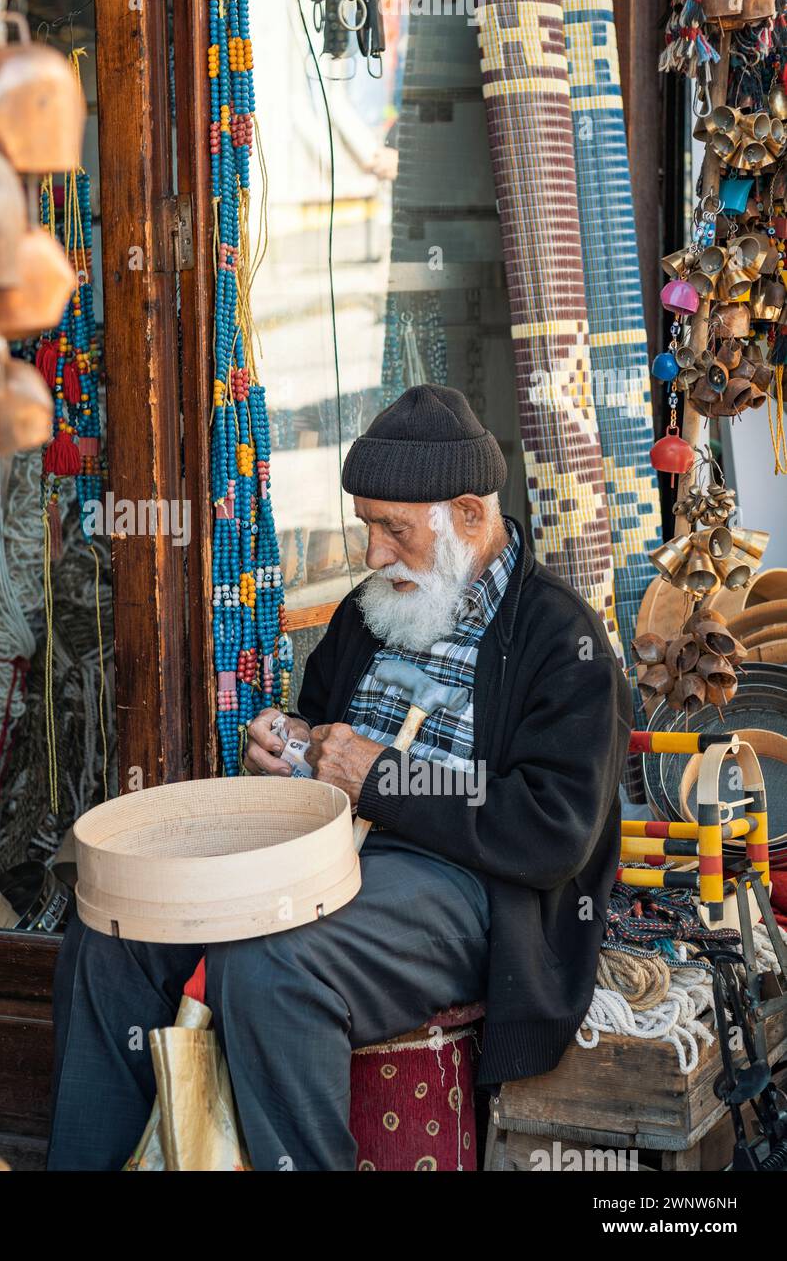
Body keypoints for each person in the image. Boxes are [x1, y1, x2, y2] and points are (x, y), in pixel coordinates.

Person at [47, 384, 629, 1170]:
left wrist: (382, 779)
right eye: (367, 527)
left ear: (468, 514)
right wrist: (288, 744)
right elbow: (322, 734)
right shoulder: (372, 610)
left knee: (270, 965)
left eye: (394, 530)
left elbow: (551, 829)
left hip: (466, 888)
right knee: (116, 927)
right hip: (324, 854)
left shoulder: (561, 636)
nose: (372, 555)